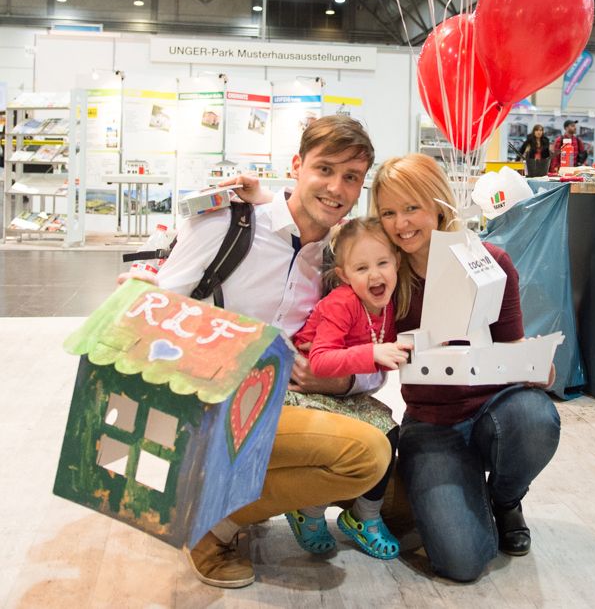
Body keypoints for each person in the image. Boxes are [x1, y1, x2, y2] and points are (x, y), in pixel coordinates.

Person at [136, 116, 391, 589]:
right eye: (325, 169)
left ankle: (243, 495)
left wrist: (335, 379)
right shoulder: (228, 224)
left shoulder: (337, 260)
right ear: (297, 166)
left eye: (351, 177)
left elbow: (372, 354)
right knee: (365, 455)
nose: (336, 187)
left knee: (389, 469)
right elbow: (157, 312)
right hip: (206, 401)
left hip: (278, 402)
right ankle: (212, 529)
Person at [371, 153, 561, 584]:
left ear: (438, 204)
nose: (401, 223)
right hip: (432, 424)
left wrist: (536, 367)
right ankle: (465, 488)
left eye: (412, 207)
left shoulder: (490, 261)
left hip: (496, 408)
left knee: (535, 417)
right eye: (388, 212)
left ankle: (506, 498)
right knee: (463, 562)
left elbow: (513, 347)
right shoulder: (385, 277)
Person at [285, 217, 410, 561]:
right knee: (341, 446)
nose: (375, 275)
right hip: (307, 394)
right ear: (343, 275)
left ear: (397, 262)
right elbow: (321, 362)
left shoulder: (387, 306)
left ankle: (364, 517)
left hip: (343, 394)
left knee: (389, 432)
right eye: (362, 267)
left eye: (383, 263)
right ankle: (308, 512)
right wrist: (373, 354)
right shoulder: (342, 303)